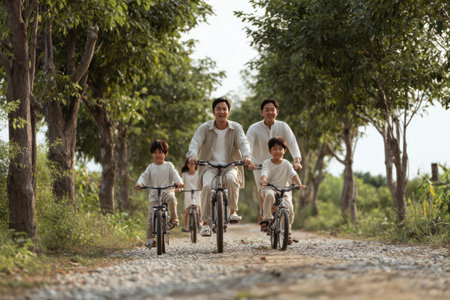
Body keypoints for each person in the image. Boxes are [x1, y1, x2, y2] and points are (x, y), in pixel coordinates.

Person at [187, 97, 254, 237]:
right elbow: (195, 143)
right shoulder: (205, 128)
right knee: (206, 186)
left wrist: (247, 156)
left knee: (231, 179)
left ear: (228, 112)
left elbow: (243, 143)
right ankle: (205, 223)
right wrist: (192, 155)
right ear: (213, 111)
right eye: (218, 109)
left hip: (231, 165)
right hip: (209, 166)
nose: (221, 111)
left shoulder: (236, 128)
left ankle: (233, 212)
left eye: (224, 109)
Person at [246, 99, 302, 221]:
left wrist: (297, 160)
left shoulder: (283, 126)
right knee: (263, 190)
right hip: (259, 165)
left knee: (285, 192)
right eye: (267, 110)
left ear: (277, 111)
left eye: (273, 109)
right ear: (262, 112)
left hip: (279, 165)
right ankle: (264, 216)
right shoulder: (254, 128)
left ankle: (286, 225)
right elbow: (247, 145)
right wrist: (248, 160)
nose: (270, 112)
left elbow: (292, 143)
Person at [135, 140, 183, 249]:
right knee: (151, 217)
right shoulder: (150, 167)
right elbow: (144, 176)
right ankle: (150, 239)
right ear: (152, 154)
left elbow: (175, 175)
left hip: (167, 192)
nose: (158, 155)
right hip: (154, 196)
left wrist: (179, 182)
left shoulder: (169, 166)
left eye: (161, 152)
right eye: (155, 152)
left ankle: (174, 218)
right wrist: (140, 183)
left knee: (172, 198)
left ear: (165, 154)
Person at [260, 137, 306, 244]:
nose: (278, 151)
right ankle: (267, 219)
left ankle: (287, 230)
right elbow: (264, 173)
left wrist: (300, 185)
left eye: (280, 149)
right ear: (269, 151)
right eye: (275, 149)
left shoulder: (286, 163)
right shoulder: (267, 163)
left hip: (284, 190)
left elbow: (294, 175)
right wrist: (264, 180)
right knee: (270, 196)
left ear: (284, 151)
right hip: (269, 188)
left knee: (289, 208)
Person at [179, 158, 201, 232]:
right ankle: (185, 226)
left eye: (193, 163)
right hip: (188, 192)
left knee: (199, 206)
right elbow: (181, 183)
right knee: (188, 210)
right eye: (189, 163)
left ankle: (201, 222)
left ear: (195, 165)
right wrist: (180, 188)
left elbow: (201, 182)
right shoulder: (184, 174)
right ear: (187, 164)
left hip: (197, 192)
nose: (191, 165)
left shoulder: (198, 173)